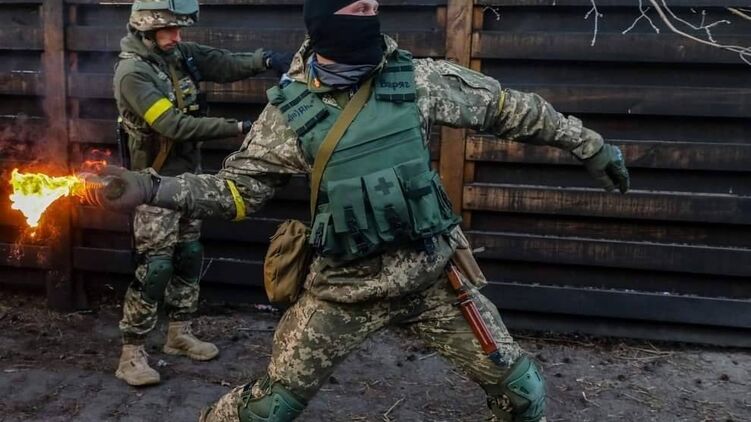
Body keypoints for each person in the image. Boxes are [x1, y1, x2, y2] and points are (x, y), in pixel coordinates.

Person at [87, 0, 629, 418]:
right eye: (357, 8)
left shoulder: (416, 81)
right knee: (267, 409)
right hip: (343, 293)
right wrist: (152, 188)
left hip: (432, 282)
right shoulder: (290, 112)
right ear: (325, 20)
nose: (370, 16)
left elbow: (508, 109)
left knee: (523, 395)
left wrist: (589, 145)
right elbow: (236, 192)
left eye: (374, 7)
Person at [112, 0, 292, 387]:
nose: (178, 37)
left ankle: (179, 334)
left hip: (189, 180)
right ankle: (131, 353)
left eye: (179, 29)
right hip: (153, 185)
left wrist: (265, 59)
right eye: (169, 30)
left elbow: (222, 63)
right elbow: (173, 125)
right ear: (146, 29)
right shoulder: (132, 73)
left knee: (189, 254)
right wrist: (240, 127)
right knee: (155, 267)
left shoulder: (177, 55)